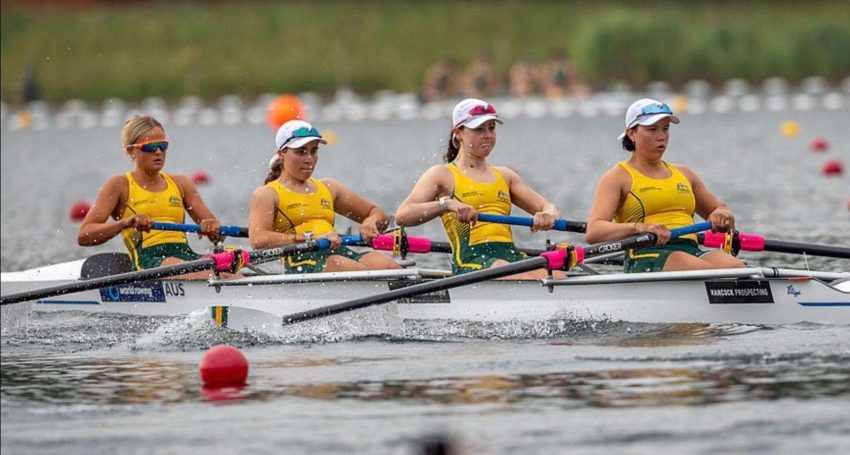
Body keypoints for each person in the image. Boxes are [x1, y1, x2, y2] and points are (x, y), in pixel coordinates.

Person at [395, 98, 562, 278]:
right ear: (458, 133)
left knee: (557, 275)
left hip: (509, 255)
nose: (488, 135)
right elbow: (402, 216)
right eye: (479, 129)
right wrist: (446, 204)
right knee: (504, 269)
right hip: (471, 260)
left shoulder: (505, 176)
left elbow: (547, 206)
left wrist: (547, 215)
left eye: (491, 128)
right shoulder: (442, 174)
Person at [586, 98, 746, 273]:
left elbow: (718, 208)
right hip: (646, 253)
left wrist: (722, 215)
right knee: (705, 271)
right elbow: (594, 231)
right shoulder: (617, 177)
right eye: (652, 129)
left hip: (691, 251)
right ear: (632, 133)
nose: (661, 136)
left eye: (665, 129)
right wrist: (641, 228)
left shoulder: (684, 173)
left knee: (738, 269)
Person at [78, 115, 229, 279]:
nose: (158, 152)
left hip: (185, 256)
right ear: (131, 150)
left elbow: (219, 235)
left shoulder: (181, 183)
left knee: (231, 260)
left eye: (163, 146)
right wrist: (125, 223)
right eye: (150, 147)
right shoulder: (119, 184)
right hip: (148, 261)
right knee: (193, 269)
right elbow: (85, 235)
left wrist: (212, 226)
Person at [248, 120, 399, 273]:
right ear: (281, 153)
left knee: (387, 264)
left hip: (338, 253)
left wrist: (370, 223)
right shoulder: (267, 193)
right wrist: (309, 238)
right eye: (301, 152)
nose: (309, 159)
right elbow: (258, 239)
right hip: (302, 260)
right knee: (350, 267)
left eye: (313, 151)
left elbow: (379, 215)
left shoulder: (329, 187)